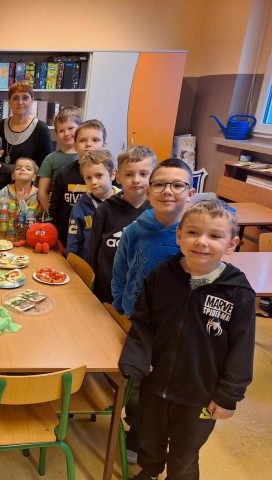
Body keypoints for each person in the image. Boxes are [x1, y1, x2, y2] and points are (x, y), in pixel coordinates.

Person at [119, 200, 255, 480]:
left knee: (184, 454)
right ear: (179, 235)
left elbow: (242, 349)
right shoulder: (162, 275)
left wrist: (228, 396)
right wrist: (138, 357)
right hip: (155, 384)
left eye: (215, 236)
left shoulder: (238, 293)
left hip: (200, 394)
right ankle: (149, 472)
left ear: (232, 243)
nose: (201, 242)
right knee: (149, 439)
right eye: (193, 232)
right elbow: (143, 322)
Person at [112, 157, 196, 316]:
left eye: (178, 185)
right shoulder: (132, 231)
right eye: (159, 184)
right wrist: (119, 310)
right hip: (134, 316)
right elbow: (119, 275)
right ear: (148, 193)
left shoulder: (196, 237)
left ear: (190, 194)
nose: (167, 191)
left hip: (177, 319)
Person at [89, 145, 156, 304]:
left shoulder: (158, 212)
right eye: (129, 174)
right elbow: (93, 253)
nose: (136, 179)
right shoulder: (104, 210)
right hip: (107, 292)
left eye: (143, 174)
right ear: (118, 177)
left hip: (144, 295)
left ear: (154, 177)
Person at [49, 119, 107, 249]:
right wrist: (54, 237)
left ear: (103, 145)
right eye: (83, 140)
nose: (88, 144)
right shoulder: (64, 173)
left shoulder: (110, 176)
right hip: (66, 240)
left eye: (95, 140)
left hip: (100, 243)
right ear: (75, 146)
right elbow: (54, 209)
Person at [66, 150, 119, 261]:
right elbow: (73, 243)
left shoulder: (124, 203)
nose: (93, 182)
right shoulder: (80, 208)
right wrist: (72, 265)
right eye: (88, 178)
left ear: (113, 174)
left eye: (99, 175)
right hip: (89, 267)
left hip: (118, 266)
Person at [0, 80, 52, 167]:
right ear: (9, 101)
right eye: (15, 98)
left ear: (32, 100)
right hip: (0, 175)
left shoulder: (41, 128)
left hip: (30, 176)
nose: (20, 102)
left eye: (25, 98)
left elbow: (45, 167)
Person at [37, 106, 82, 214]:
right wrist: (52, 213)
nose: (66, 133)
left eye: (70, 128)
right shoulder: (50, 159)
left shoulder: (87, 157)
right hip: (58, 212)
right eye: (61, 131)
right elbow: (42, 192)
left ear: (80, 129)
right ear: (56, 135)